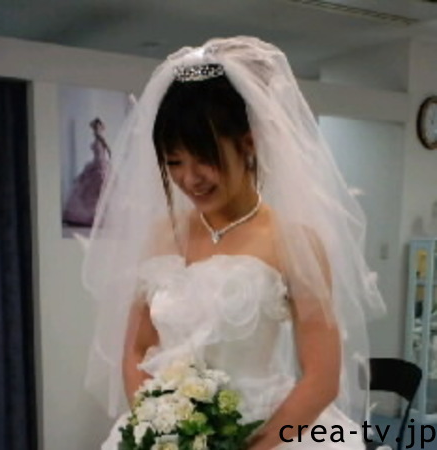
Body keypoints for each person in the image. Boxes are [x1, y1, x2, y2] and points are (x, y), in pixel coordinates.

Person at [82, 37, 385, 449]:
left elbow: (321, 378)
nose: (190, 178)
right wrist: (160, 428)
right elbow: (135, 351)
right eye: (174, 162)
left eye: (204, 158)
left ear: (248, 143)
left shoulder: (293, 241)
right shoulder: (161, 235)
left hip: (268, 433)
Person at [63, 117, 111, 227]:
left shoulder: (100, 138)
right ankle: (92, 215)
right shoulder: (97, 138)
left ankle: (99, 215)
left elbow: (108, 150)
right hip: (97, 163)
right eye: (95, 128)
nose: (95, 130)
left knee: (97, 190)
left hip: (100, 164)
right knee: (90, 191)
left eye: (97, 128)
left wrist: (106, 159)